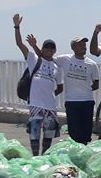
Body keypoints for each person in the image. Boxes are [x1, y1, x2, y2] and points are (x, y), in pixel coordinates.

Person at [13, 13, 63, 155]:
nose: (49, 50)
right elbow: (19, 44)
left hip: (51, 107)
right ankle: (35, 158)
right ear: (42, 49)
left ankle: (44, 158)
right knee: (34, 135)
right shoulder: (34, 59)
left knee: (48, 136)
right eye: (46, 48)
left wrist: (50, 94)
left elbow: (60, 87)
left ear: (54, 51)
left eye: (51, 49)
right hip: (36, 105)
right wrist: (17, 27)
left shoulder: (57, 68)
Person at [55, 37, 100, 144]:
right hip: (71, 101)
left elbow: (96, 84)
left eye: (84, 45)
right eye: (80, 45)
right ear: (73, 47)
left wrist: (85, 89)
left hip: (87, 101)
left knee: (86, 133)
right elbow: (47, 59)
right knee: (74, 133)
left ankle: (84, 152)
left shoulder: (92, 64)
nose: (83, 47)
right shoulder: (65, 59)